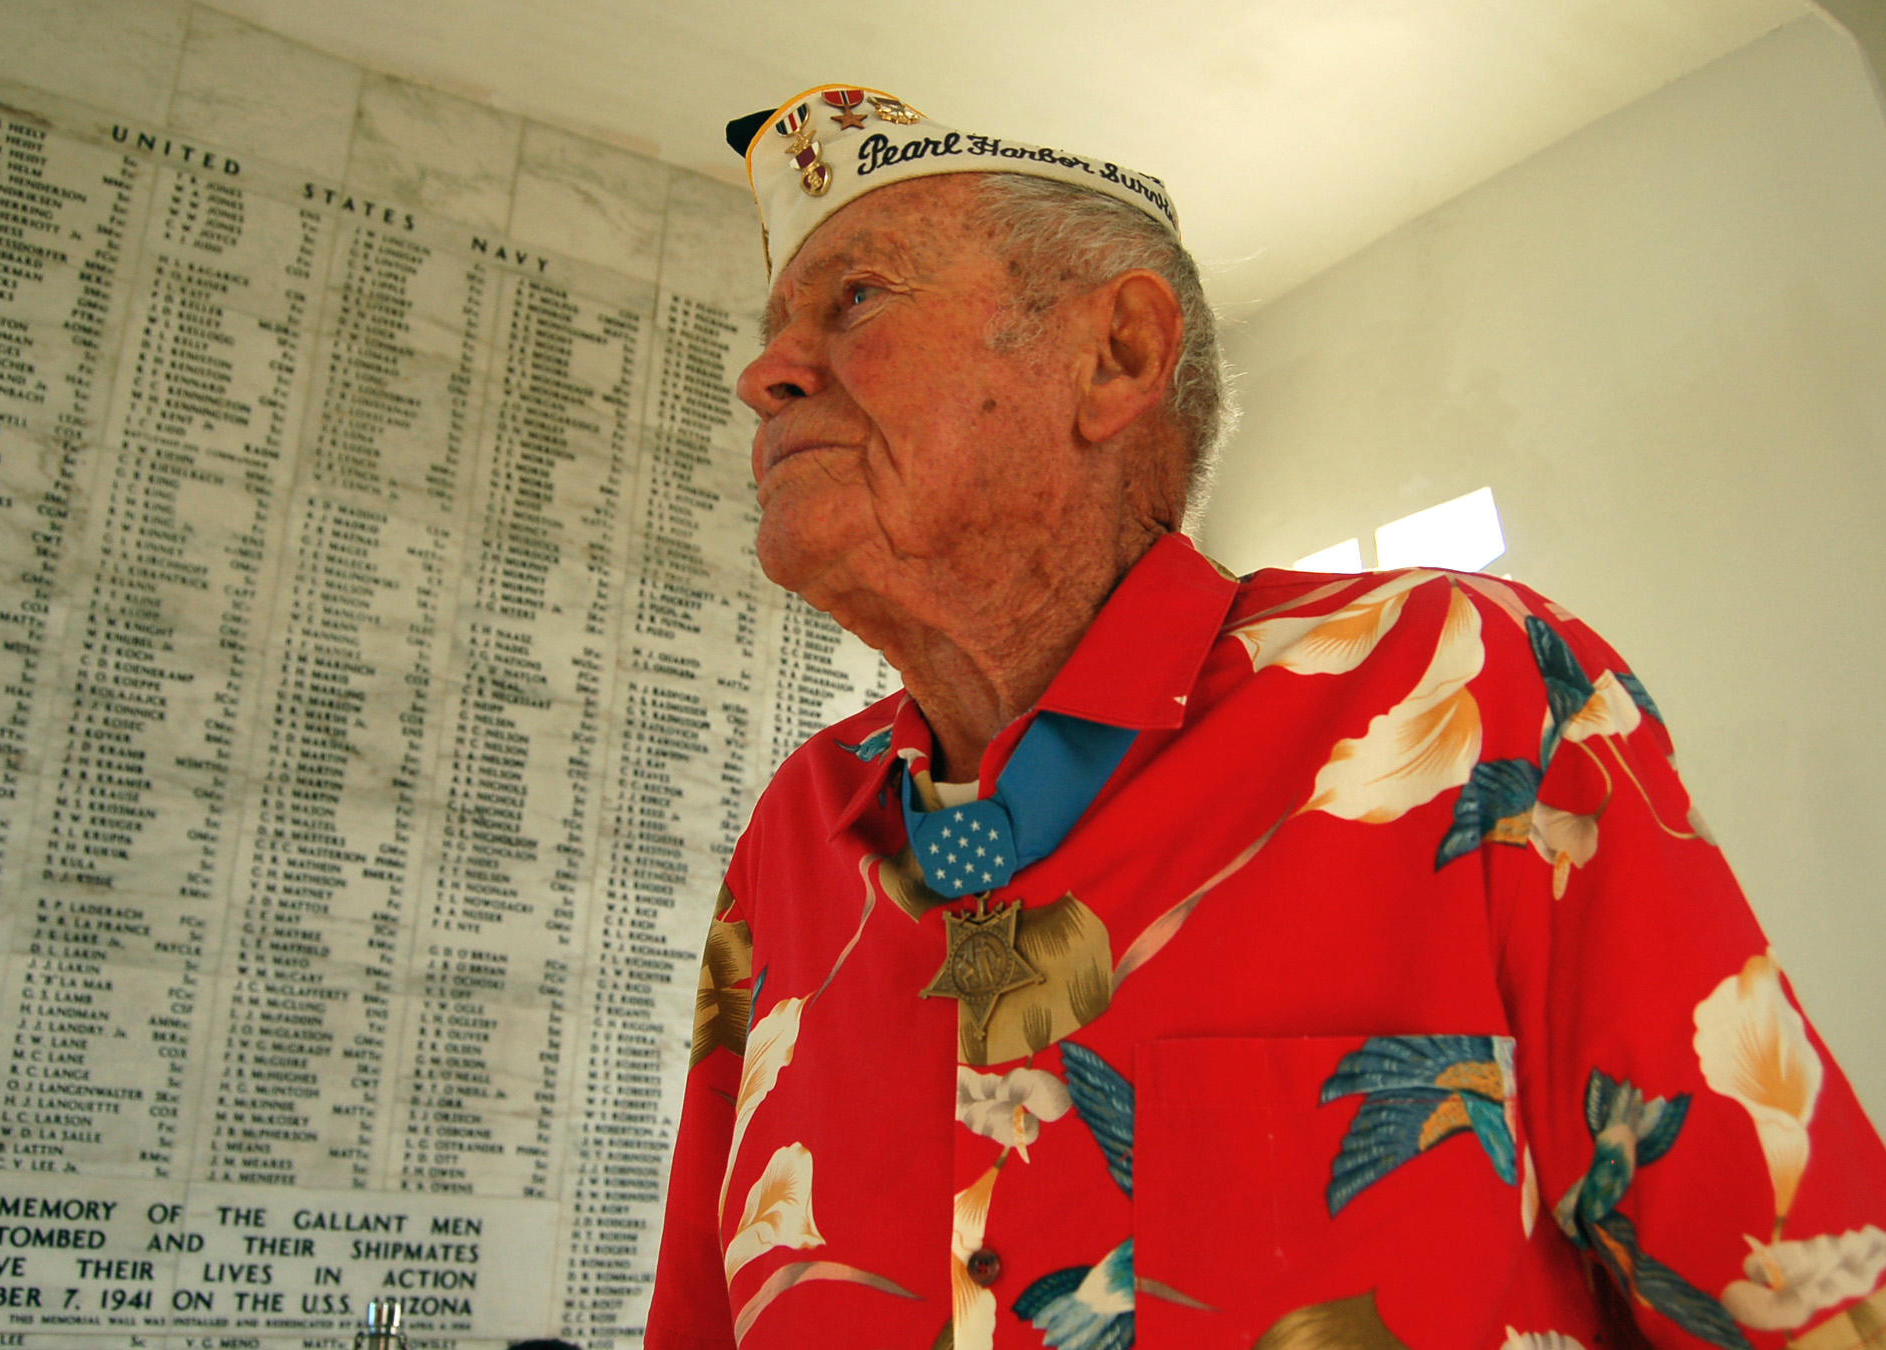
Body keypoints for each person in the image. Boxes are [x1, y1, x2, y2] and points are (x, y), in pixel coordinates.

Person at [649, 86, 1886, 1350]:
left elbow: (1797, 1301)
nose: (765, 373)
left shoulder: (1468, 684)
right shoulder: (796, 833)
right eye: (777, 327)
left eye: (858, 298)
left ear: (1118, 354)